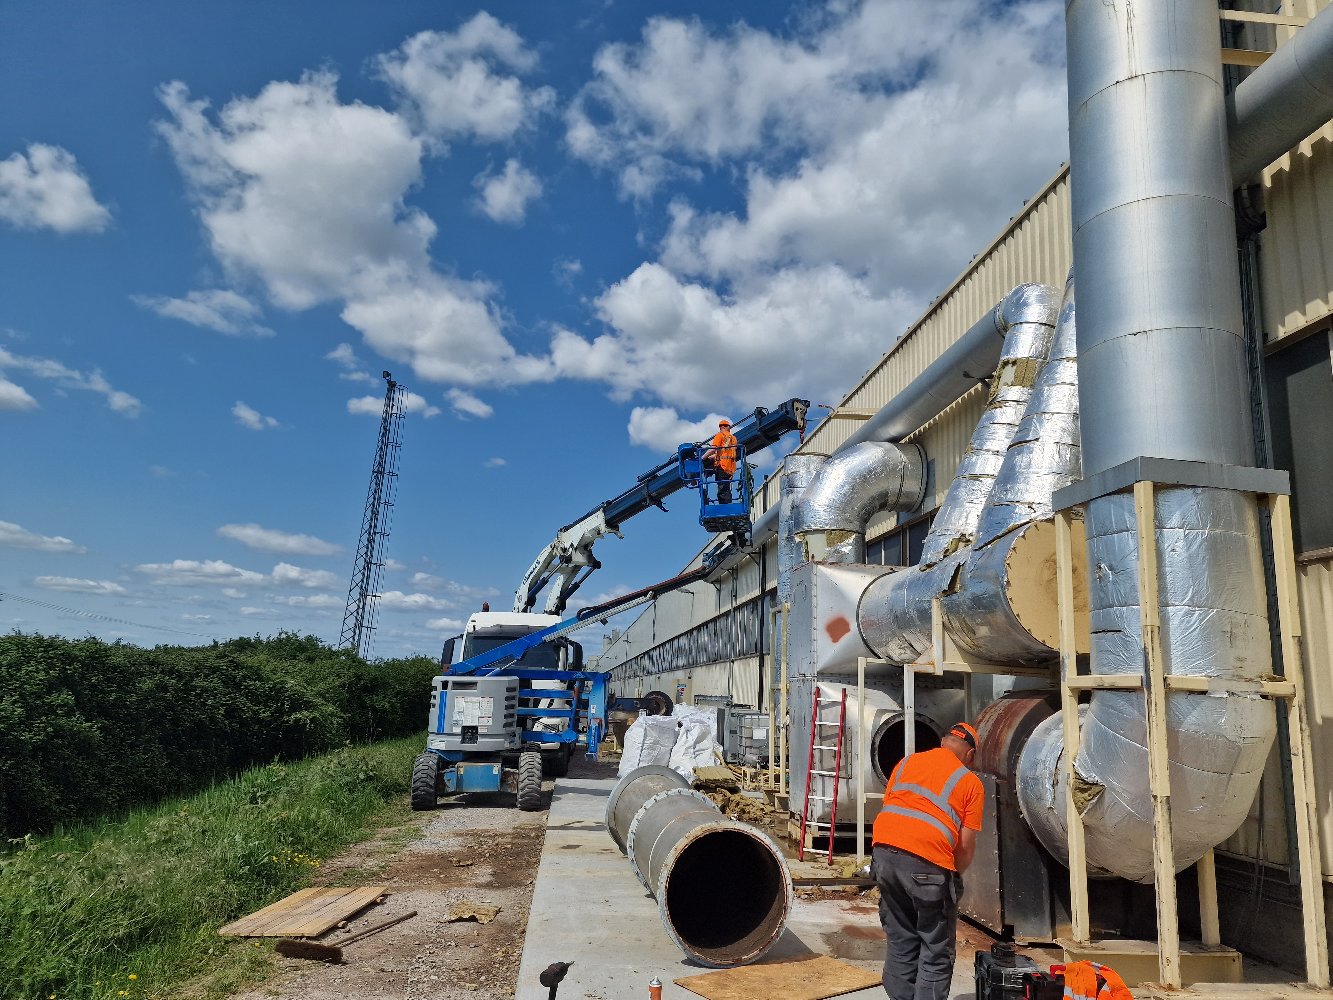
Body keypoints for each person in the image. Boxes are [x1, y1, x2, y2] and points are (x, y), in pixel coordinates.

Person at [871, 721, 985, 1000]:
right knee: (936, 949)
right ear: (970, 755)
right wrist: (951, 877)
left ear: (943, 742)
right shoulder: (970, 782)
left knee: (901, 940)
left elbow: (892, 808)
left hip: (884, 855)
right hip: (928, 864)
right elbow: (966, 846)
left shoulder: (906, 763)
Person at [705, 418, 739, 503]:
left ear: (721, 427)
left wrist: (703, 457)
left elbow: (713, 449)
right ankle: (728, 505)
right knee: (726, 488)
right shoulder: (733, 438)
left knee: (722, 489)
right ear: (727, 427)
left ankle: (725, 508)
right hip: (730, 468)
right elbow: (725, 453)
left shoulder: (720, 435)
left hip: (722, 467)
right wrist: (712, 457)